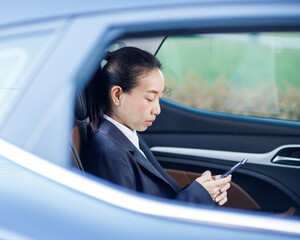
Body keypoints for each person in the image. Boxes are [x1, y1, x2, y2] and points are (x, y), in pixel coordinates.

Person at [83, 47, 231, 206]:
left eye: (159, 98)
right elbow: (130, 225)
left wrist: (205, 191)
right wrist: (198, 195)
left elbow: (158, 201)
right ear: (117, 95)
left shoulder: (126, 136)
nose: (157, 110)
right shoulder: (109, 152)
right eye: (149, 98)